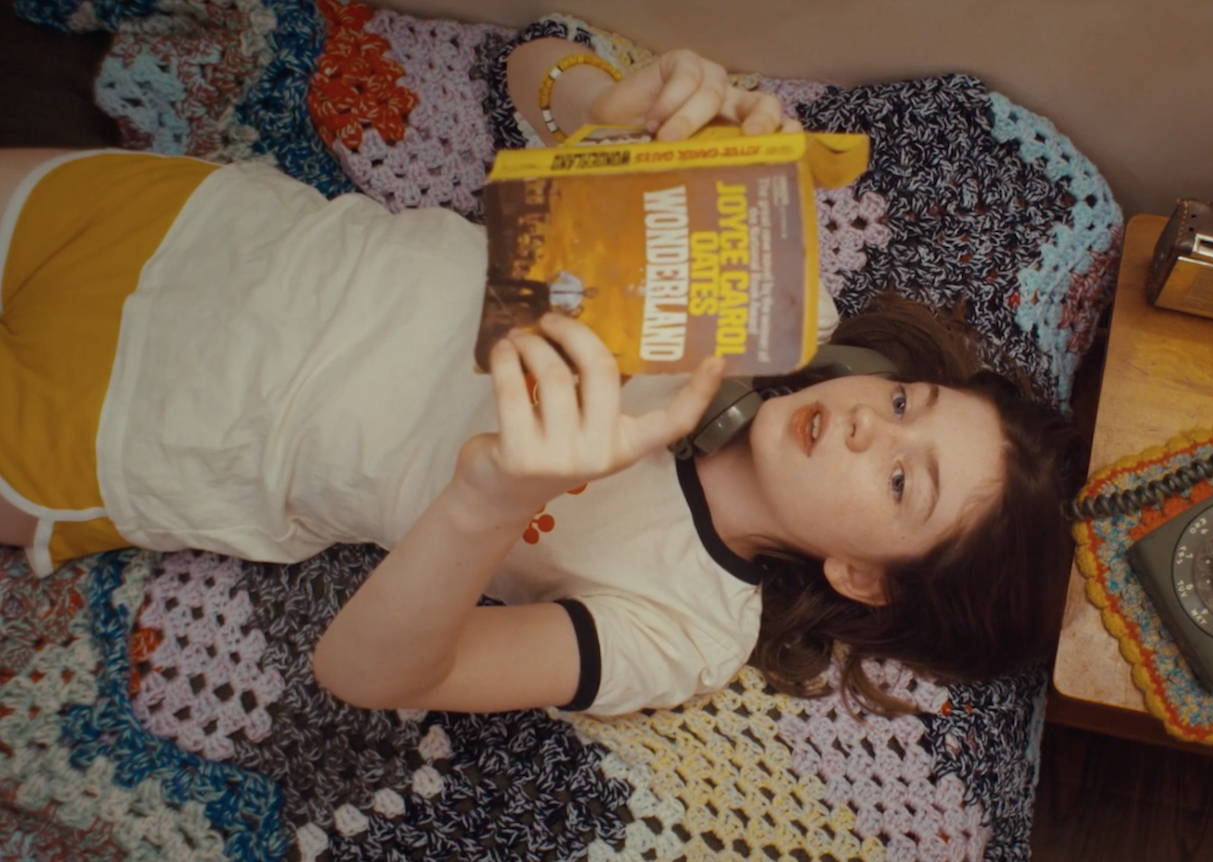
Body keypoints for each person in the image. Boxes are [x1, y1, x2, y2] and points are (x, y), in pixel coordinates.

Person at [0, 43, 1076, 718]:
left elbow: (370, 675)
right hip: (209, 234)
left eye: (903, 482)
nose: (862, 427)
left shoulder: (681, 629)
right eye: (902, 406)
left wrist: (494, 496)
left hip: (152, 432)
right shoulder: (777, 306)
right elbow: (530, 61)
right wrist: (618, 109)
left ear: (865, 578)